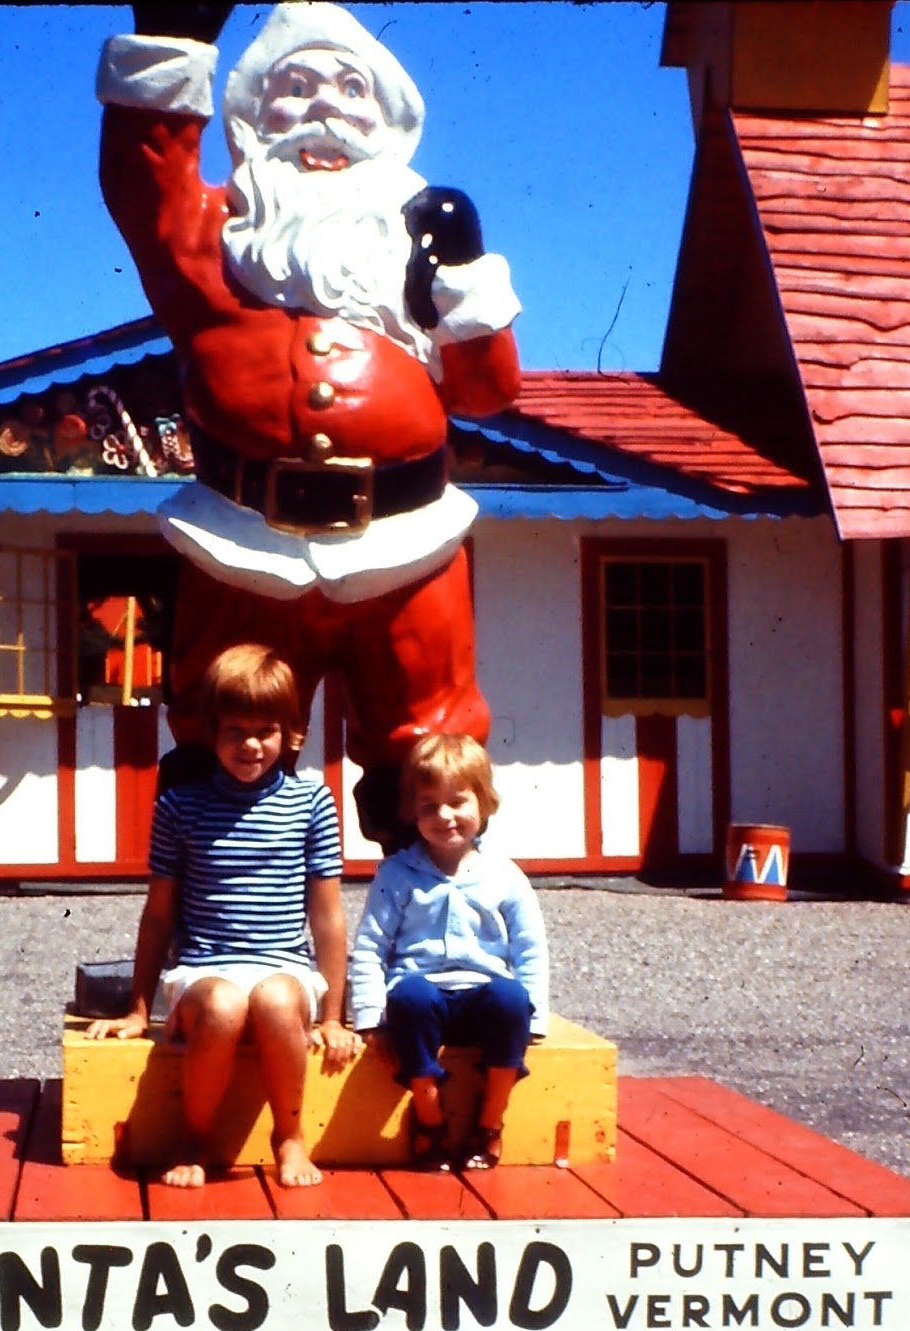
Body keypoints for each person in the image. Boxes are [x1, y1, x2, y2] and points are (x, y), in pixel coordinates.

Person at [97, 2, 522, 847]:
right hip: (243, 546)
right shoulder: (217, 243)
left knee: (430, 753)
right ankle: (225, 936)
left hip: (408, 547)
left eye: (349, 89)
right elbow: (145, 185)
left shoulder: (419, 252)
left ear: (388, 120)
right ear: (252, 116)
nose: (323, 109)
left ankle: (434, 946)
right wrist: (172, 46)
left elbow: (485, 394)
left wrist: (466, 283)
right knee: (227, 740)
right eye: (294, 87)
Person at [85, 643, 358, 1187]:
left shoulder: (312, 803)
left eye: (266, 731)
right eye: (235, 731)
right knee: (226, 1004)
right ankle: (195, 1137)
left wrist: (331, 1016)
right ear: (212, 732)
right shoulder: (179, 806)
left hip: (284, 966)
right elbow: (159, 915)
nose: (251, 745)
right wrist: (140, 1008)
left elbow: (327, 917)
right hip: (204, 971)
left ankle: (290, 1136)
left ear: (290, 733)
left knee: (278, 1000)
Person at [349, 732, 548, 1171]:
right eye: (428, 806)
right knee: (412, 996)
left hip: (481, 997)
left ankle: (490, 1122)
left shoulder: (504, 874)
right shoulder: (398, 873)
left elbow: (530, 947)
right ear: (412, 813)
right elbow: (370, 946)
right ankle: (430, 1120)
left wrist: (536, 1018)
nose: (445, 817)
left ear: (484, 803)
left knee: (512, 998)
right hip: (422, 1000)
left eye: (458, 802)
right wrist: (369, 1018)